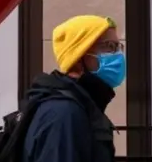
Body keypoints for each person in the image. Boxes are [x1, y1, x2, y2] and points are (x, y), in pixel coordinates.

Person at [21, 15, 126, 162]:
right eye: (109, 46)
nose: (119, 56)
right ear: (78, 57)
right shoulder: (63, 113)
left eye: (118, 47)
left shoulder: (81, 104)